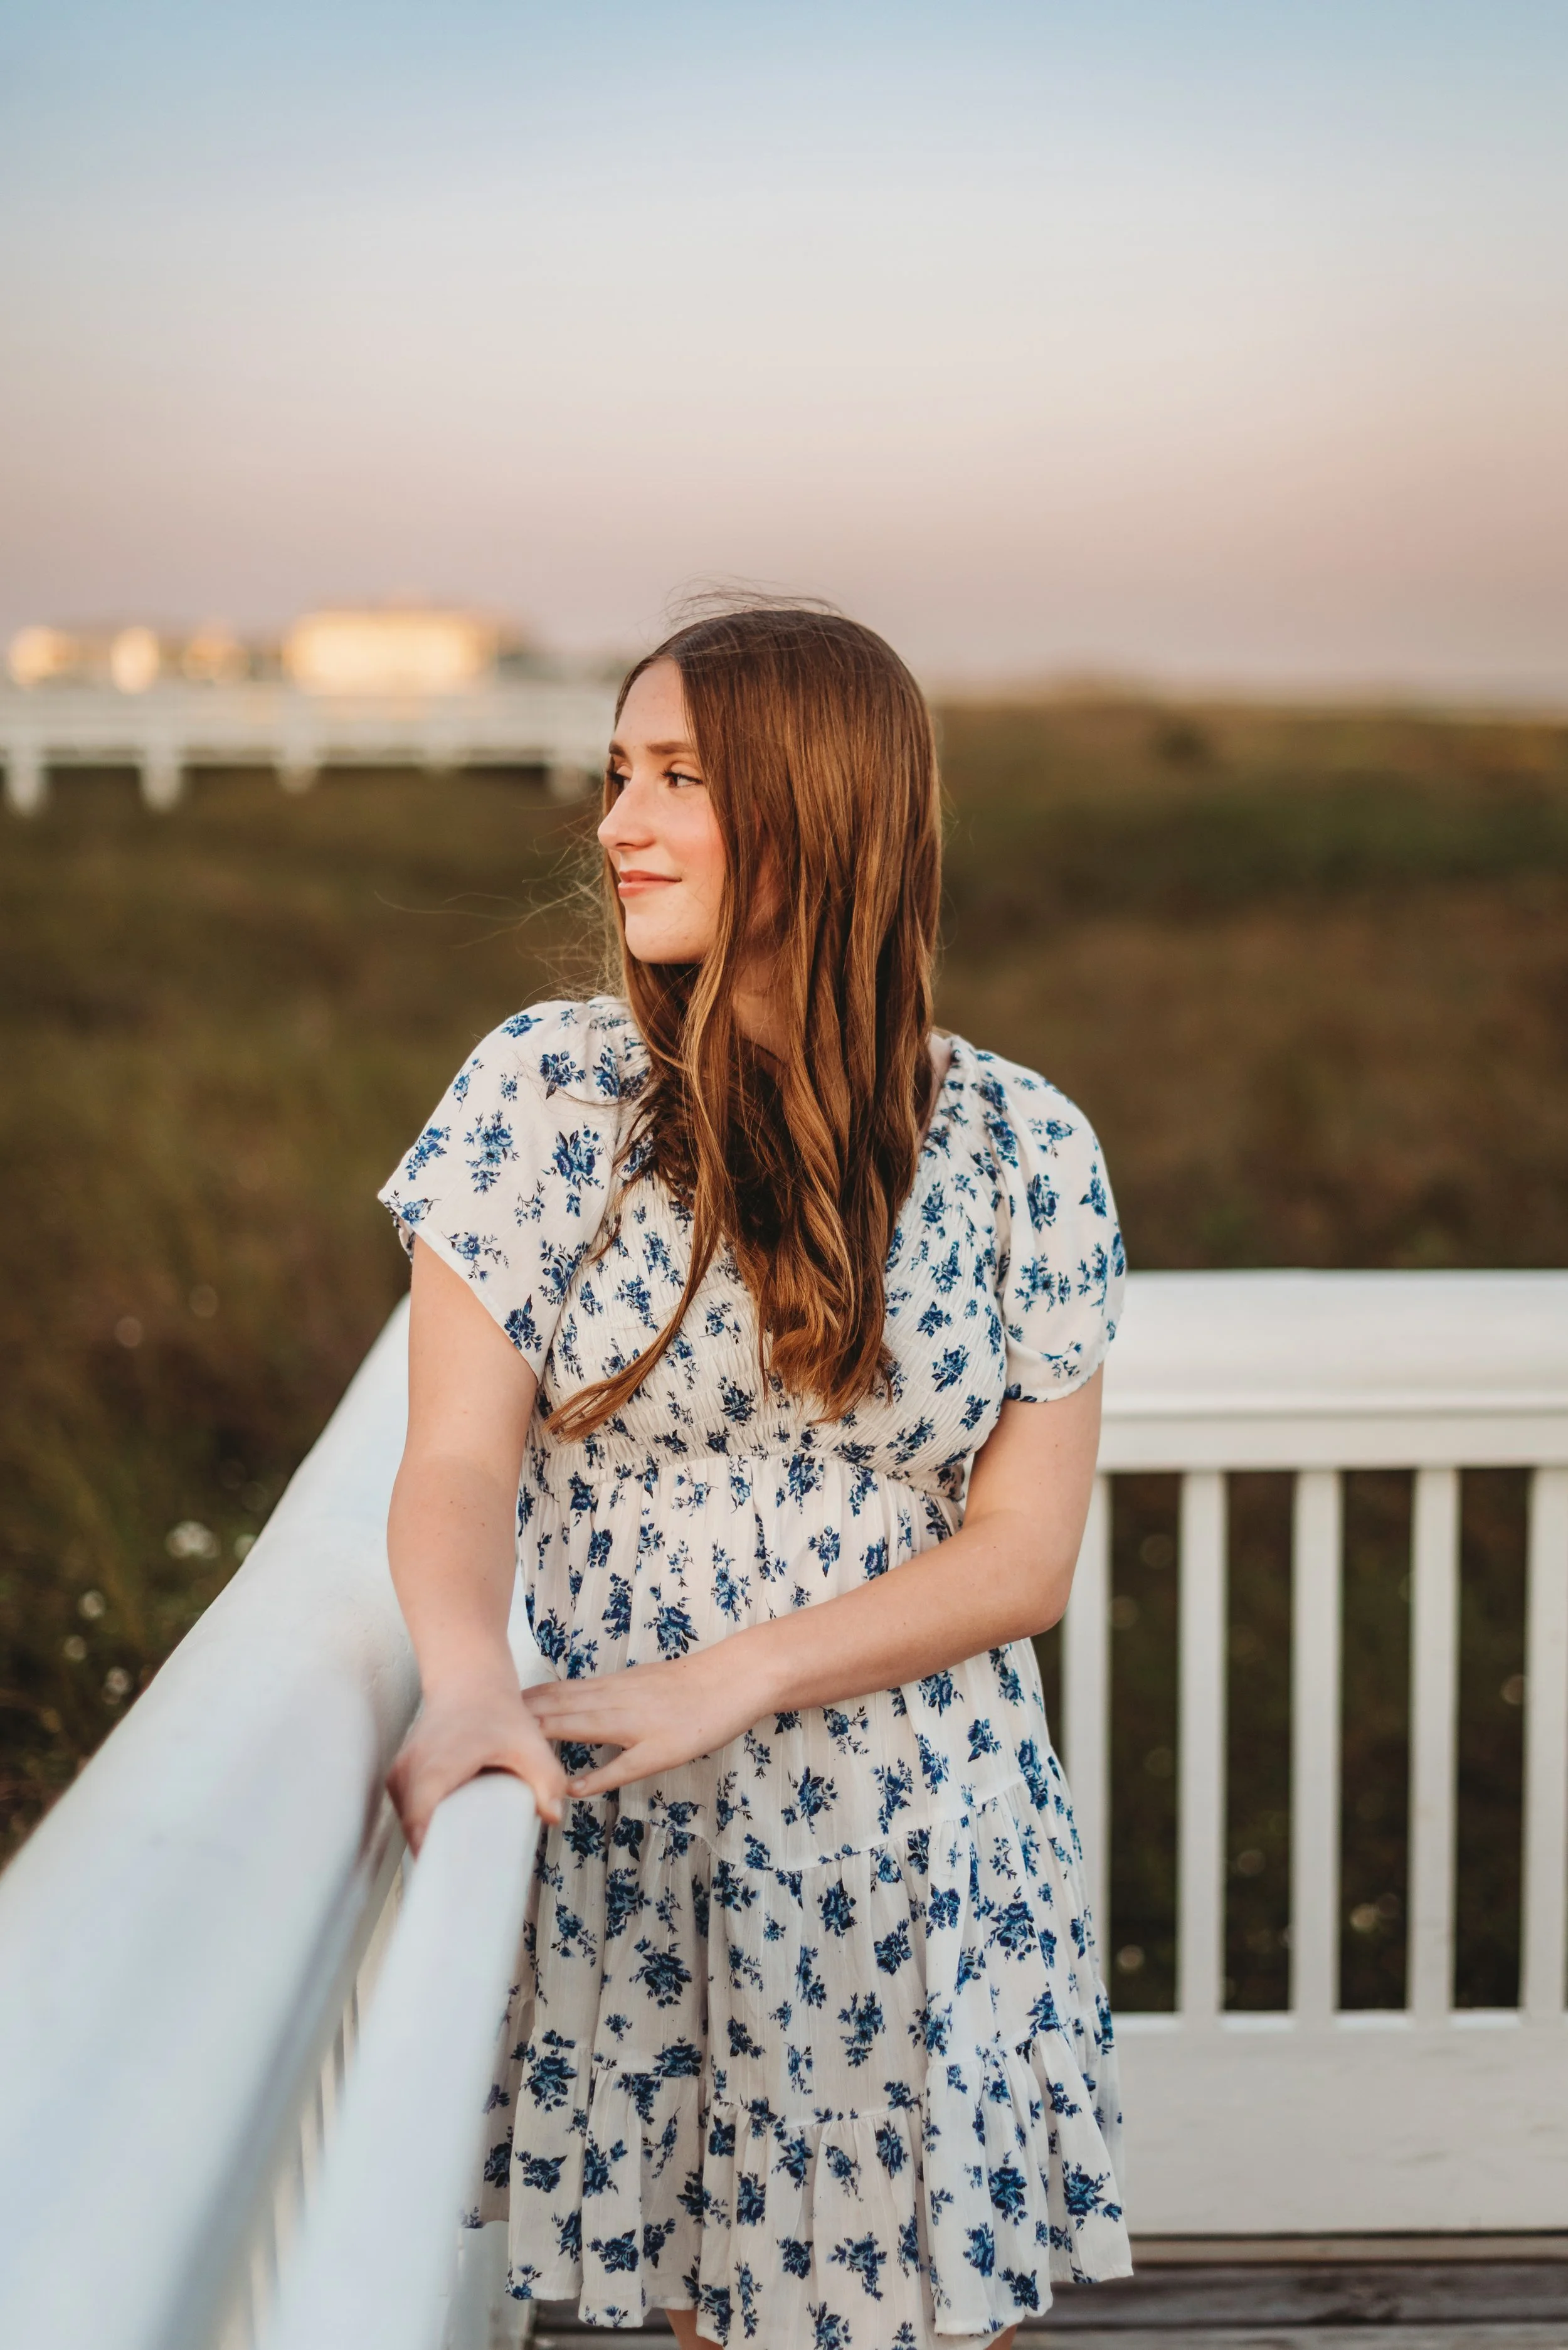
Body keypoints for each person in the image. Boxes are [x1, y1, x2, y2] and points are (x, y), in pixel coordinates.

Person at [379, 606, 1130, 2350]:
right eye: (617, 775)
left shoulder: (1023, 1142)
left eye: (679, 780)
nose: (617, 825)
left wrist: (727, 1679)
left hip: (918, 1830)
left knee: (934, 2312)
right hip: (647, 1829)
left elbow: (1022, 1556)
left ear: (823, 807)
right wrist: (468, 1677)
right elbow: (457, 1457)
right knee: (715, 2313)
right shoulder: (546, 1091)